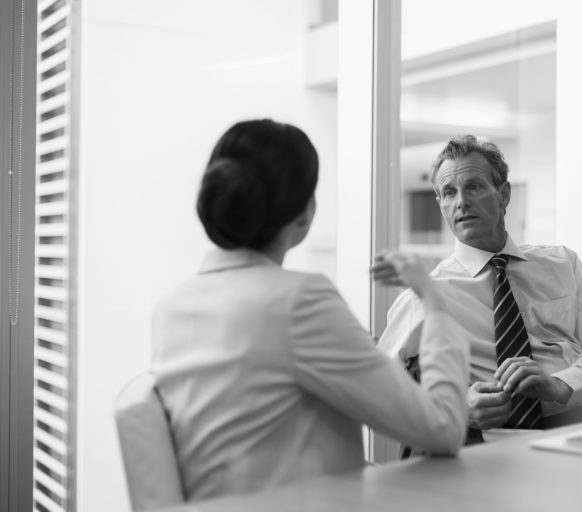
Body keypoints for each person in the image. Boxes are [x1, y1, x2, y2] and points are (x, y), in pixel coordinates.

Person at [150, 119, 469, 501]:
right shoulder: (300, 301)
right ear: (305, 213)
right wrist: (431, 298)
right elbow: (443, 427)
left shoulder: (170, 309)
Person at [378, 135, 582, 445]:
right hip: (494, 448)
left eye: (473, 186)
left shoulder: (563, 264)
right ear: (441, 204)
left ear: (504, 195)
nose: (461, 202)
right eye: (449, 192)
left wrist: (560, 385)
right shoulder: (424, 296)